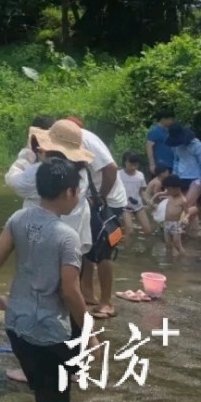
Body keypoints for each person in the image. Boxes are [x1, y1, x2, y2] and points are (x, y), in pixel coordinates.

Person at [0, 158, 92, 402]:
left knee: (44, 400)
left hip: (17, 326)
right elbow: (71, 292)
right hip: (50, 334)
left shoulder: (18, 219)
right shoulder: (67, 237)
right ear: (69, 192)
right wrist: (89, 334)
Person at [64, 118, 126, 320]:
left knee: (104, 252)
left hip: (109, 202)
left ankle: (106, 302)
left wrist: (101, 197)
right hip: (93, 200)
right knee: (87, 247)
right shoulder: (70, 142)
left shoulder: (88, 141)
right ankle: (87, 294)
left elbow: (111, 169)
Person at [166, 122, 201, 233]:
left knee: (185, 205)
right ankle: (193, 235)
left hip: (196, 180)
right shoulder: (176, 146)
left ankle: (174, 231)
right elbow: (176, 161)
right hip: (181, 178)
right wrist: (174, 178)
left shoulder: (198, 146)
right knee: (192, 207)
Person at [118, 152, 151, 242]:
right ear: (125, 162)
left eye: (136, 165)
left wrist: (148, 201)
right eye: (131, 164)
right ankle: (128, 253)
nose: (133, 167)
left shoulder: (140, 175)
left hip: (137, 205)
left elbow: (142, 191)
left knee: (148, 230)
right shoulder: (119, 175)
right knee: (129, 230)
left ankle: (146, 252)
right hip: (124, 205)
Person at [161, 175, 190, 259]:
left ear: (176, 188)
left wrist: (185, 218)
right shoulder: (170, 195)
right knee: (167, 244)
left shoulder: (182, 200)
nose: (167, 191)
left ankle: (183, 258)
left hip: (176, 224)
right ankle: (169, 259)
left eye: (169, 189)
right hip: (166, 222)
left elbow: (187, 212)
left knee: (177, 244)